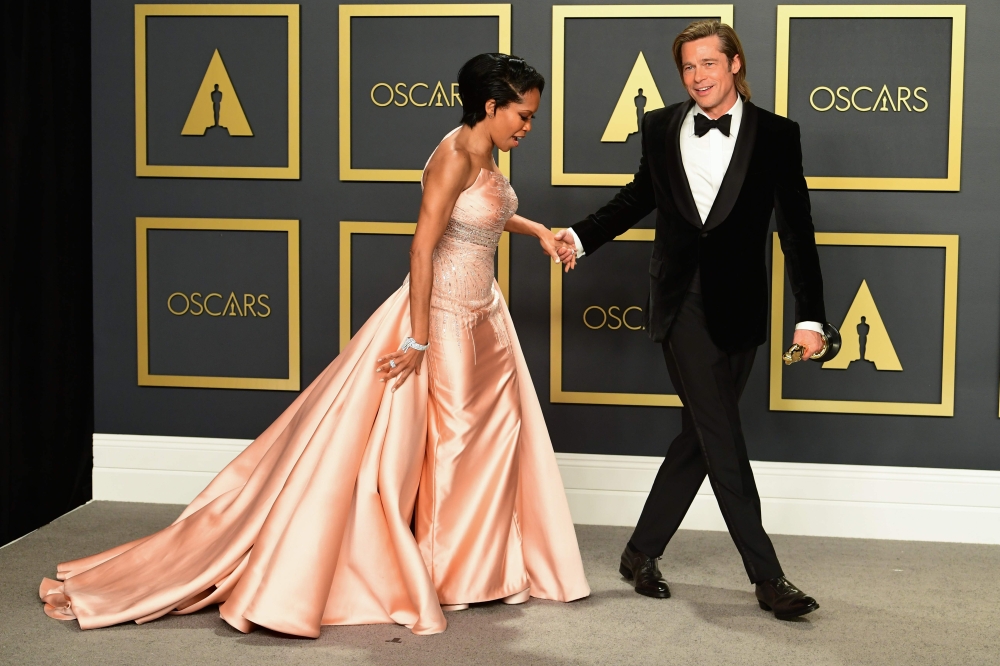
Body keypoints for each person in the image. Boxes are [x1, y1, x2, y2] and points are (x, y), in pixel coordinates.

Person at [40, 53, 589, 637]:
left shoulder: (490, 152)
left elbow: (487, 212)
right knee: (451, 445)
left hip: (486, 314)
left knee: (493, 441)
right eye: (524, 116)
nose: (530, 126)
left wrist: (535, 230)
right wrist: (418, 340)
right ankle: (443, 576)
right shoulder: (452, 157)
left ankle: (480, 570)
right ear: (490, 106)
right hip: (443, 318)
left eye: (532, 116)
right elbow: (421, 251)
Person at [555, 20, 826, 620]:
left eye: (708, 63)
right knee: (722, 435)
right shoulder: (658, 125)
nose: (698, 76)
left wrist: (813, 319)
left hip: (742, 308)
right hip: (681, 303)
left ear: (734, 64)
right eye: (687, 67)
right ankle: (768, 578)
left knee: (702, 436)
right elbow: (636, 197)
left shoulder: (778, 135)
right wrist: (579, 235)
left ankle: (639, 552)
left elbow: (798, 232)